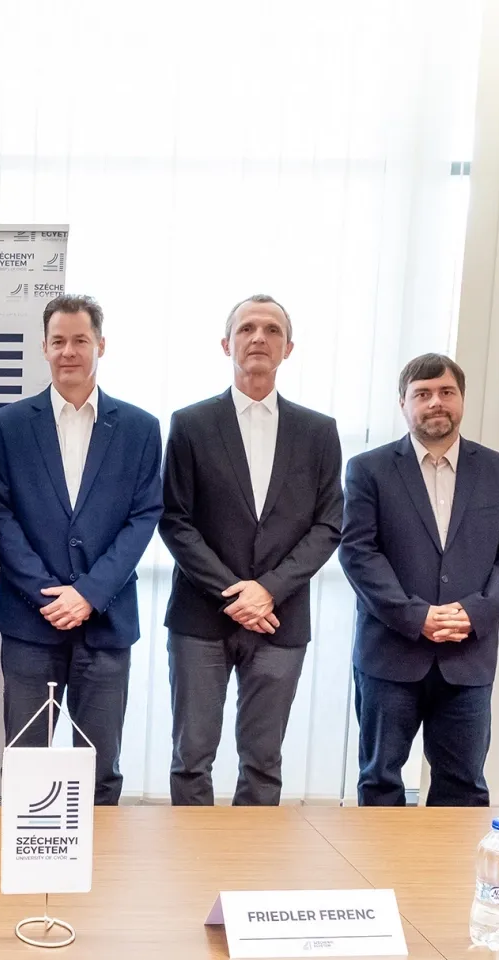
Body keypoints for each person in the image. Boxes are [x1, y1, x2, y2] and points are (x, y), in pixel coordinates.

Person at [159, 294, 342, 806]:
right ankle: (191, 867)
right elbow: (175, 519)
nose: (258, 338)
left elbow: (328, 526)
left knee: (263, 762)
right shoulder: (191, 424)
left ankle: (249, 873)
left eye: (271, 330)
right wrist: (235, 593)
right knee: (192, 758)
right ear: (226, 343)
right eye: (246, 329)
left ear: (288, 348)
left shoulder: (319, 432)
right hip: (201, 618)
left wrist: (268, 592)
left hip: (280, 620)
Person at [0, 295, 162, 805]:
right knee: (26, 764)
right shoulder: (8, 426)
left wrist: (89, 594)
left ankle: (97, 878)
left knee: (100, 770)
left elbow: (144, 516)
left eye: (80, 340)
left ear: (101, 345)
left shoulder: (141, 429)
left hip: (106, 624)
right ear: (43, 347)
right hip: (29, 624)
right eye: (58, 341)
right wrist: (50, 596)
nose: (69, 352)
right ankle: (24, 878)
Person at [340, 354, 499, 806]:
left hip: (468, 656)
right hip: (390, 653)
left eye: (446, 392)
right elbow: (358, 552)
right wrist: (416, 616)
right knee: (380, 782)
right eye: (422, 394)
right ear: (403, 403)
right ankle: (380, 874)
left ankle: (446, 879)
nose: (435, 403)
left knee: (463, 787)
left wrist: (474, 613)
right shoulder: (368, 469)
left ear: (461, 399)